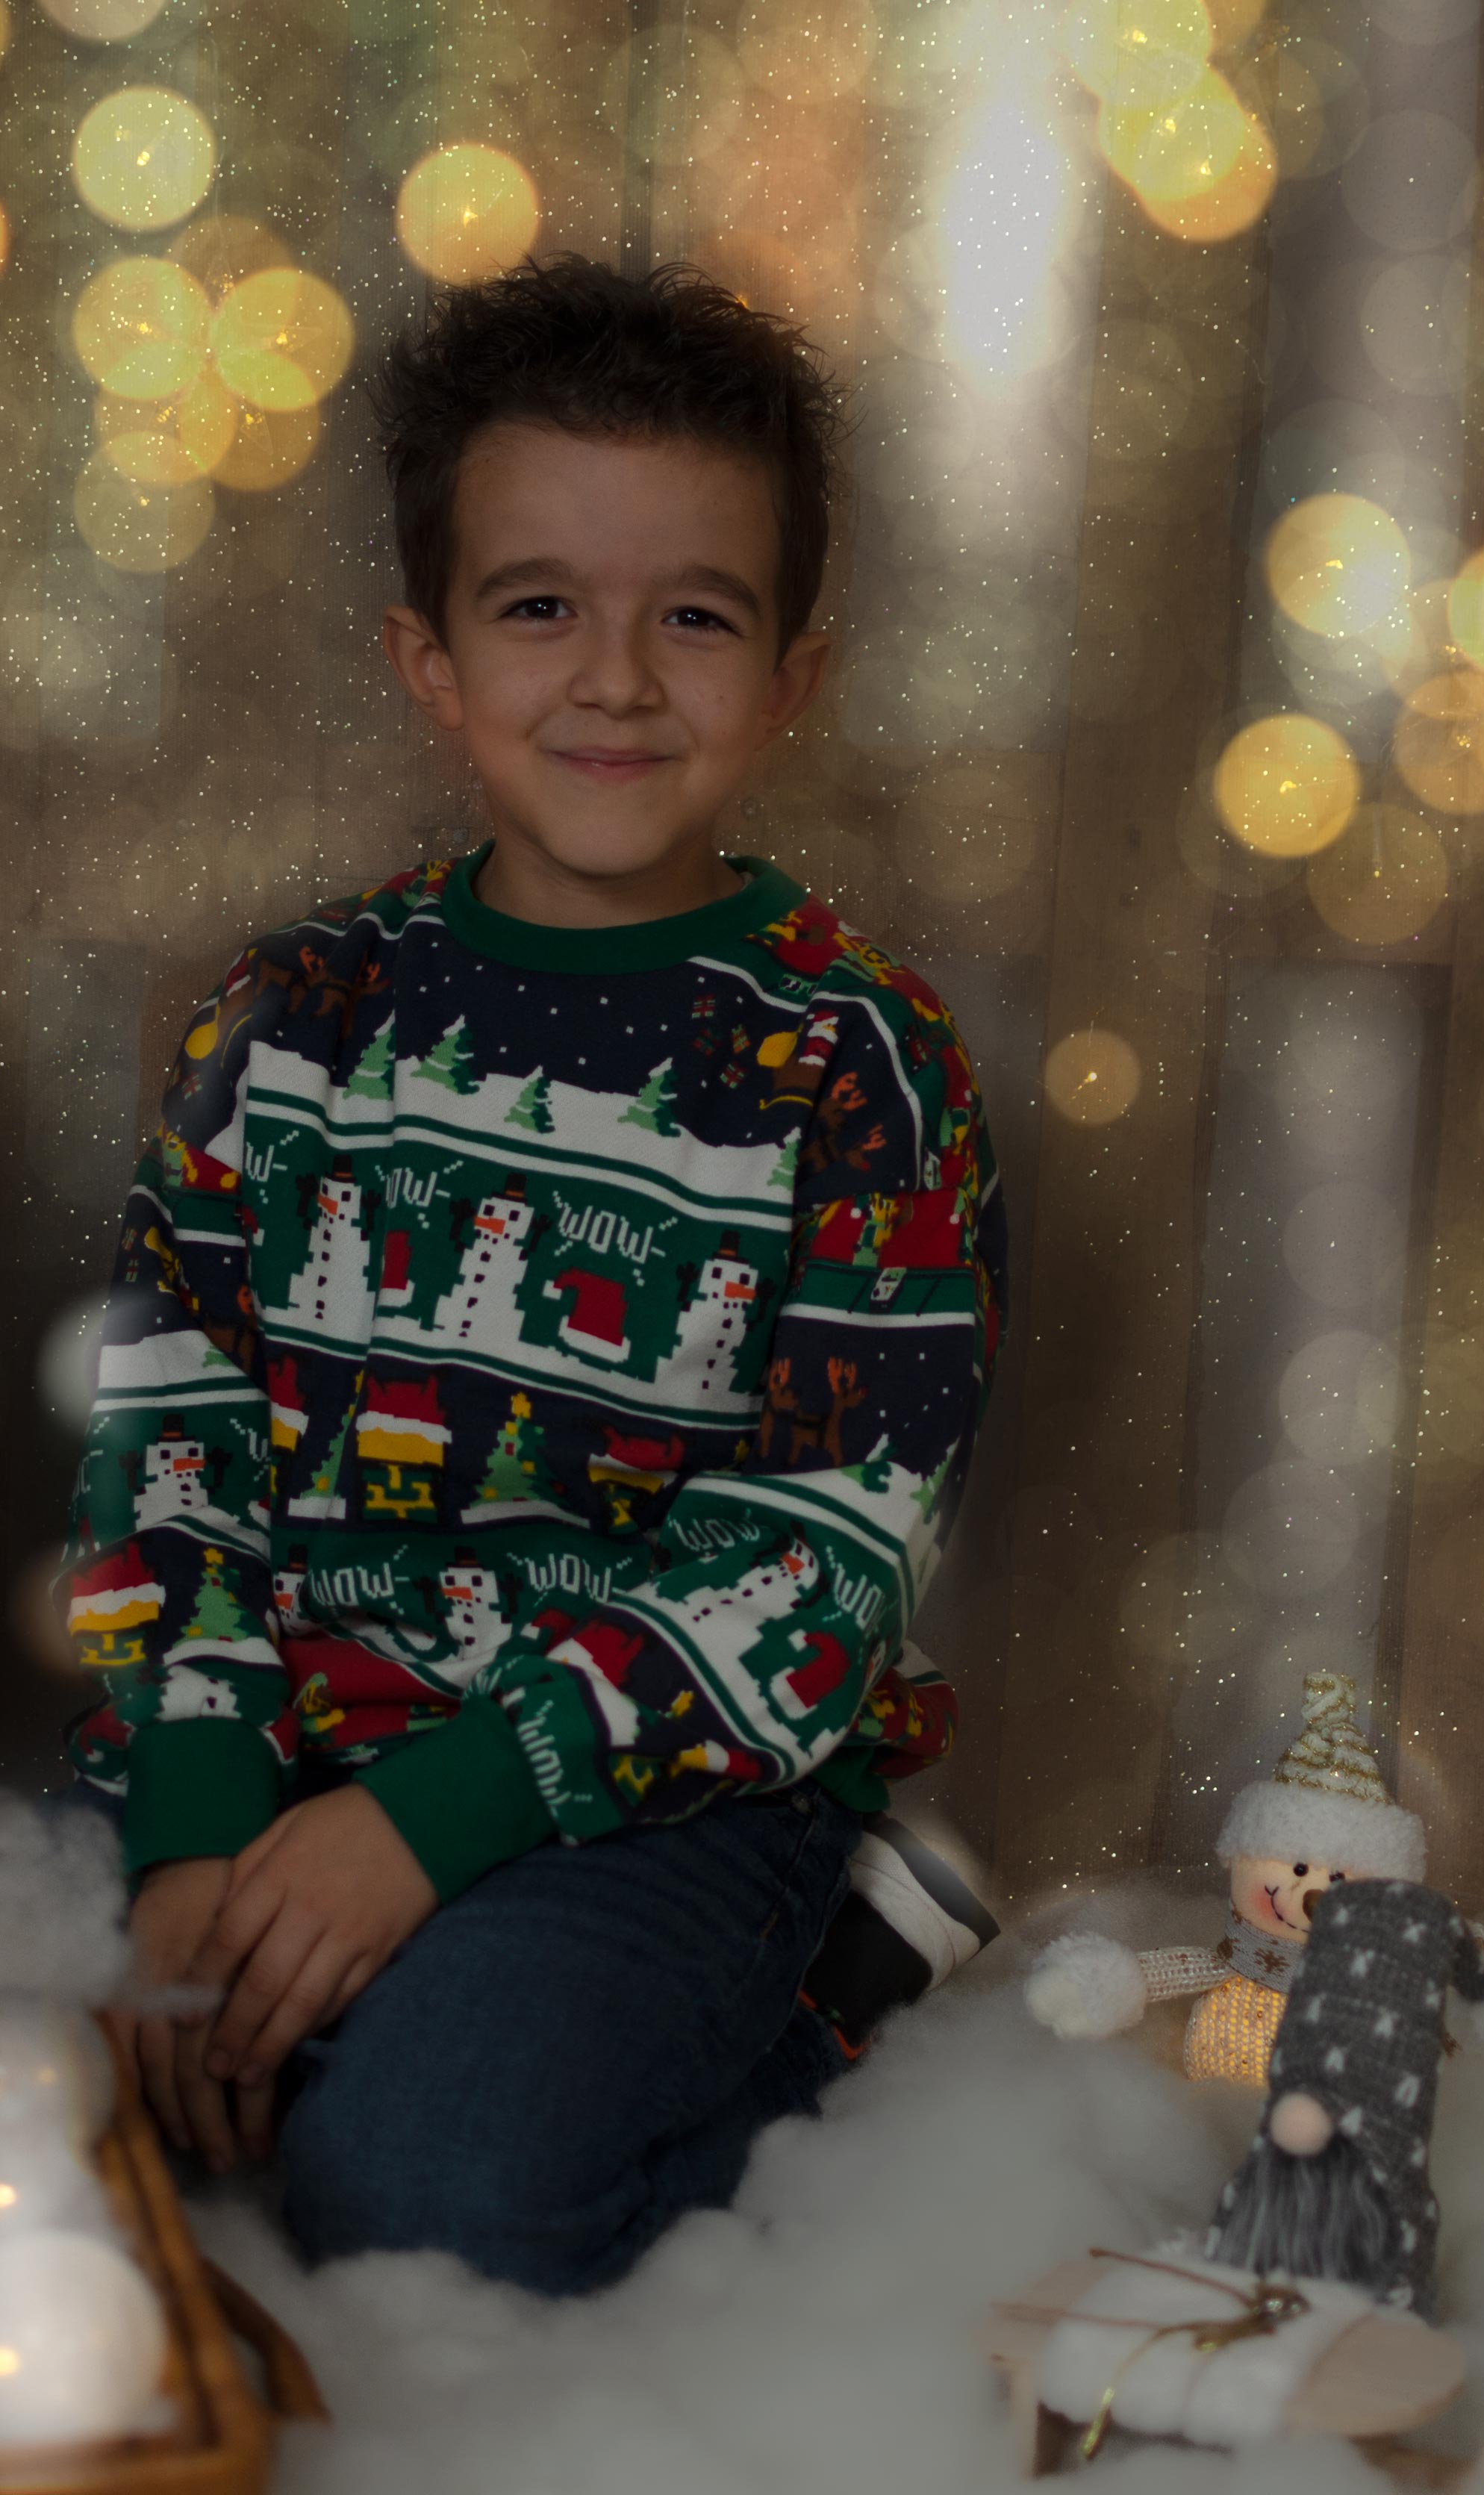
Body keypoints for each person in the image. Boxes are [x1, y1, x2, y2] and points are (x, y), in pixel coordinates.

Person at [57, 258, 1006, 2295]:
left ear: (791, 678)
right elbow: (170, 1454)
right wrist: (198, 1832)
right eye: (540, 606)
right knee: (91, 2126)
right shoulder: (287, 1022)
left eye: (695, 615)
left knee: (427, 2193)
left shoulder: (857, 1063)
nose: (616, 680)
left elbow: (816, 1547)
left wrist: (438, 1821)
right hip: (294, 1738)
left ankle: (839, 1984)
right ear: (429, 661)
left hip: (657, 1784)